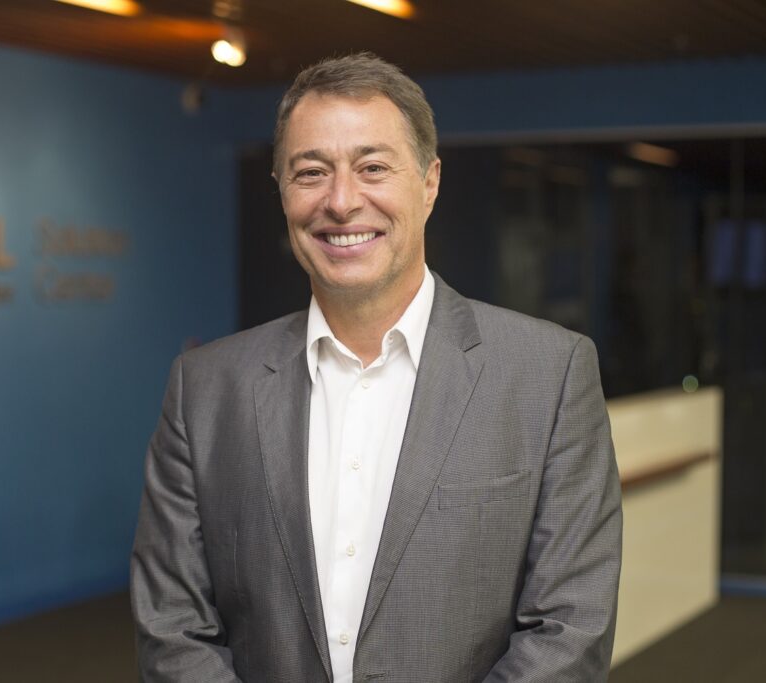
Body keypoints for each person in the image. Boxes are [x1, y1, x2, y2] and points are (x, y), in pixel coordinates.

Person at [131, 53, 622, 682]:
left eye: (373, 168)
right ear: (281, 189)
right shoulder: (204, 390)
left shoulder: (549, 375)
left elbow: (570, 629)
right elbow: (173, 628)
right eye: (312, 172)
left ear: (429, 183)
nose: (341, 202)